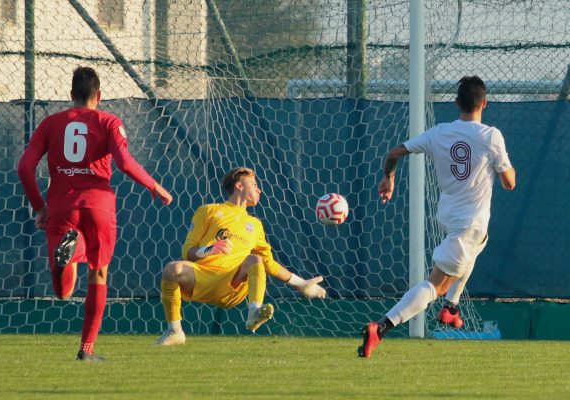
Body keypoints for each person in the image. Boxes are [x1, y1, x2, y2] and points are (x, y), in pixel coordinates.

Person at [18, 66, 173, 361]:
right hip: (100, 205)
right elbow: (125, 162)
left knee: (62, 292)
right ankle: (86, 349)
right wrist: (153, 185)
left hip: (62, 206)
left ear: (71, 95)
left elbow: (24, 168)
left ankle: (67, 256)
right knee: (99, 272)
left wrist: (40, 207)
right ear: (99, 96)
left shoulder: (51, 124)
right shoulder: (109, 121)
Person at [358, 75, 516, 358]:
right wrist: (504, 168)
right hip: (469, 224)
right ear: (485, 103)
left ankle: (452, 308)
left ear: (457, 103)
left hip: (450, 219)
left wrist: (388, 179)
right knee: (435, 286)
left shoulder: (439, 132)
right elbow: (509, 183)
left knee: (479, 242)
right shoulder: (491, 136)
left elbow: (394, 153)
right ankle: (381, 327)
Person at [156, 167, 326, 345]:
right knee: (172, 269)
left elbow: (269, 264)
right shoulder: (209, 210)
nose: (259, 189)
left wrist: (302, 284)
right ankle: (174, 331)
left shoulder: (255, 224)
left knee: (255, 260)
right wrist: (210, 249)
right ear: (239, 185)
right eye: (254, 184)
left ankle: (254, 312)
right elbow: (187, 252)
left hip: (232, 286)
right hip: (203, 277)